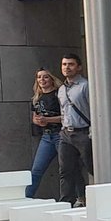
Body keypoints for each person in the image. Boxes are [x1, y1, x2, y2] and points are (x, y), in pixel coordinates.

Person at [57, 51, 93, 206]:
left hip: (83, 132)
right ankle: (66, 202)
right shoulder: (61, 89)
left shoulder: (85, 86)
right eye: (64, 64)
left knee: (92, 167)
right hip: (66, 133)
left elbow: (93, 109)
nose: (67, 67)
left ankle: (97, 199)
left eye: (71, 64)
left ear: (79, 67)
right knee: (65, 170)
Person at [27, 70, 63, 198]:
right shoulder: (36, 98)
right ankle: (27, 197)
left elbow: (67, 116)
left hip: (60, 134)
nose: (42, 80)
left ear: (51, 79)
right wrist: (38, 121)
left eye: (45, 77)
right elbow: (34, 117)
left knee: (67, 168)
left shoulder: (59, 94)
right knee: (36, 170)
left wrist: (48, 120)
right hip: (46, 136)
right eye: (39, 77)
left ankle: (78, 197)